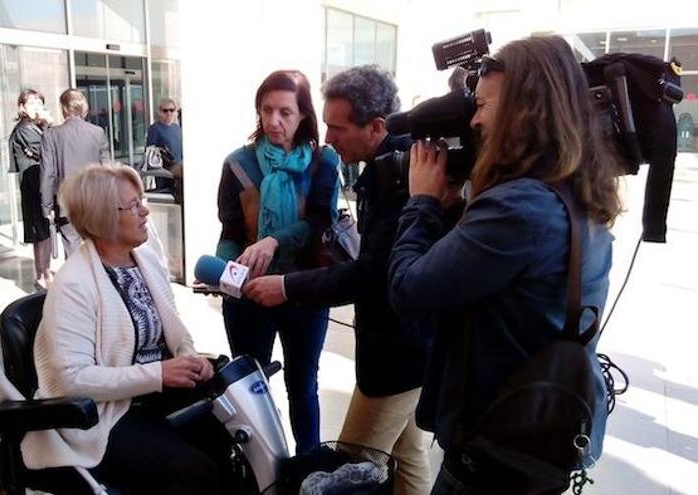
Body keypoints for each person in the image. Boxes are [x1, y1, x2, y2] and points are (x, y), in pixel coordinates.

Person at [386, 35, 621, 493]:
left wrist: (421, 203)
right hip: (538, 438)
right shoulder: (577, 190)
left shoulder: (519, 208)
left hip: (492, 452)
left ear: (524, 111)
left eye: (483, 105)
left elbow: (409, 292)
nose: (473, 120)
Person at [244, 65, 441, 494]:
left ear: (376, 127)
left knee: (349, 475)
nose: (330, 137)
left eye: (338, 127)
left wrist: (286, 286)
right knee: (408, 456)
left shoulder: (403, 177)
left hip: (398, 356)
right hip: (406, 351)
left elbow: (371, 273)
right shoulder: (391, 165)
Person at [23, 165, 226, 495]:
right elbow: (73, 380)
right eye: (133, 205)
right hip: (102, 417)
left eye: (141, 200)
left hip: (147, 400)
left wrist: (189, 358)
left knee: (228, 434)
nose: (145, 210)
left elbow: (173, 331)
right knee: (194, 471)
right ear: (103, 218)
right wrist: (158, 374)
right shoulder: (74, 284)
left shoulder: (144, 258)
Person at [215, 70, 339, 454]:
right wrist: (223, 272)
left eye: (285, 112)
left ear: (304, 115)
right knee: (252, 388)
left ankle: (308, 468)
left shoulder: (324, 162)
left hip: (306, 291)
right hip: (250, 296)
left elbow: (320, 222)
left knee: (303, 385)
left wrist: (273, 241)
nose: (274, 121)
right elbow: (231, 230)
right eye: (266, 110)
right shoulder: (238, 163)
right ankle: (262, 469)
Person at [40, 88, 111, 258]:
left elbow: (47, 174)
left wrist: (46, 206)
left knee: (72, 252)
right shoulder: (97, 132)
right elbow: (107, 169)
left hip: (67, 204)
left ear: (64, 108)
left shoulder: (51, 135)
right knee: (96, 250)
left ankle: (76, 283)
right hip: (95, 202)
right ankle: (96, 282)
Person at [9, 89, 54, 290]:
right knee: (40, 231)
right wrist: (50, 123)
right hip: (33, 185)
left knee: (44, 231)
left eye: (40, 103)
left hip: (39, 183)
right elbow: (47, 150)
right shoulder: (25, 129)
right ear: (22, 108)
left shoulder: (36, 127)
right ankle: (42, 275)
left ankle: (45, 272)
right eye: (32, 104)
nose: (38, 108)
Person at [146, 97, 183, 198]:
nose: (169, 113)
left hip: (179, 163)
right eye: (165, 110)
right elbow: (150, 149)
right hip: (166, 164)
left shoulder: (177, 128)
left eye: (172, 110)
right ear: (159, 112)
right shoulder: (155, 129)